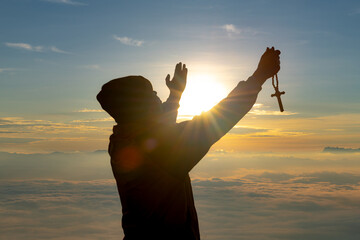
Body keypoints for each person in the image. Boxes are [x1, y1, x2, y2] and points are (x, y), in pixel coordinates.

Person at [97, 47, 281, 240]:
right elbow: (220, 117)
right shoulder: (158, 147)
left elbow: (159, 129)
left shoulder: (124, 139)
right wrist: (259, 76)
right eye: (152, 95)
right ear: (141, 108)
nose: (157, 97)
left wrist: (175, 95)